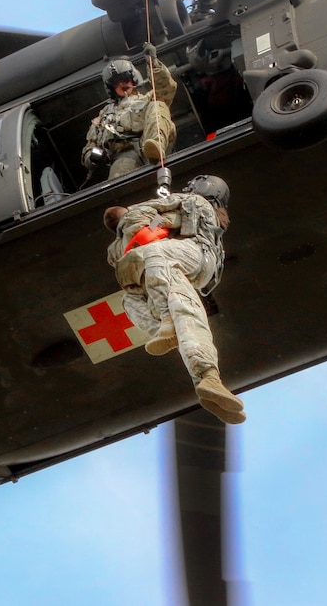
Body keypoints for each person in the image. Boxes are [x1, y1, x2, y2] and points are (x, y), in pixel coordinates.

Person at [103, 175, 244, 424]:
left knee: (155, 253)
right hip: (171, 262)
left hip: (194, 254)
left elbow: (163, 220)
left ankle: (169, 322)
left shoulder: (196, 203)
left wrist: (149, 222)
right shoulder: (193, 205)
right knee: (132, 300)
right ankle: (205, 376)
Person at [83, 43, 178, 179]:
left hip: (151, 144)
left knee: (158, 104)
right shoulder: (104, 114)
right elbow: (90, 143)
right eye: (116, 83)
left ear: (133, 79)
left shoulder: (147, 98)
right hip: (124, 157)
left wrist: (153, 62)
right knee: (121, 186)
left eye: (125, 79)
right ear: (111, 89)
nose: (122, 84)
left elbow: (167, 89)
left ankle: (155, 146)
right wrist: (92, 157)